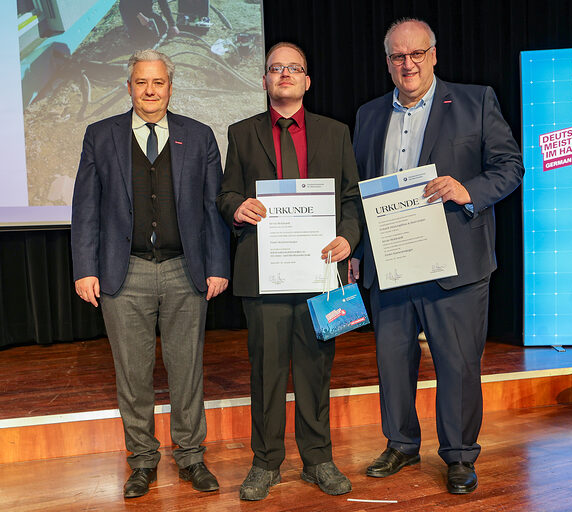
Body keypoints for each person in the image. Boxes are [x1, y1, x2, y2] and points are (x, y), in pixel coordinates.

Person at [350, 18, 524, 494]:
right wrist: (359, 251)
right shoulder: (367, 115)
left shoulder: (475, 101)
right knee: (392, 364)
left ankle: (460, 456)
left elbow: (510, 167)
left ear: (433, 55)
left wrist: (467, 189)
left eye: (416, 54)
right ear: (387, 63)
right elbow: (360, 192)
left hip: (457, 266)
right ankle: (401, 445)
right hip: (390, 263)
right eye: (397, 56)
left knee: (459, 367)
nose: (408, 64)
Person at [71, 49, 230, 499]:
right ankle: (141, 461)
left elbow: (213, 208)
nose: (150, 91)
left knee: (187, 371)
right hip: (125, 274)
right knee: (133, 376)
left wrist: (218, 265)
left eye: (158, 82)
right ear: (129, 88)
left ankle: (191, 456)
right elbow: (85, 209)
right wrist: (85, 268)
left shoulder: (197, 137)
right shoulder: (100, 136)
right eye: (141, 82)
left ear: (170, 87)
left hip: (186, 272)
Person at [217, 42, 362, 501]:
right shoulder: (241, 134)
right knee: (267, 373)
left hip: (320, 273)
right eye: (275, 68)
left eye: (293, 68)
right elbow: (224, 196)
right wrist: (237, 207)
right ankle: (266, 463)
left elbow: (351, 199)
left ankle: (318, 459)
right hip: (265, 275)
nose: (284, 74)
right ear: (264, 80)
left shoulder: (335, 133)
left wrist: (348, 237)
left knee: (316, 371)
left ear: (307, 80)